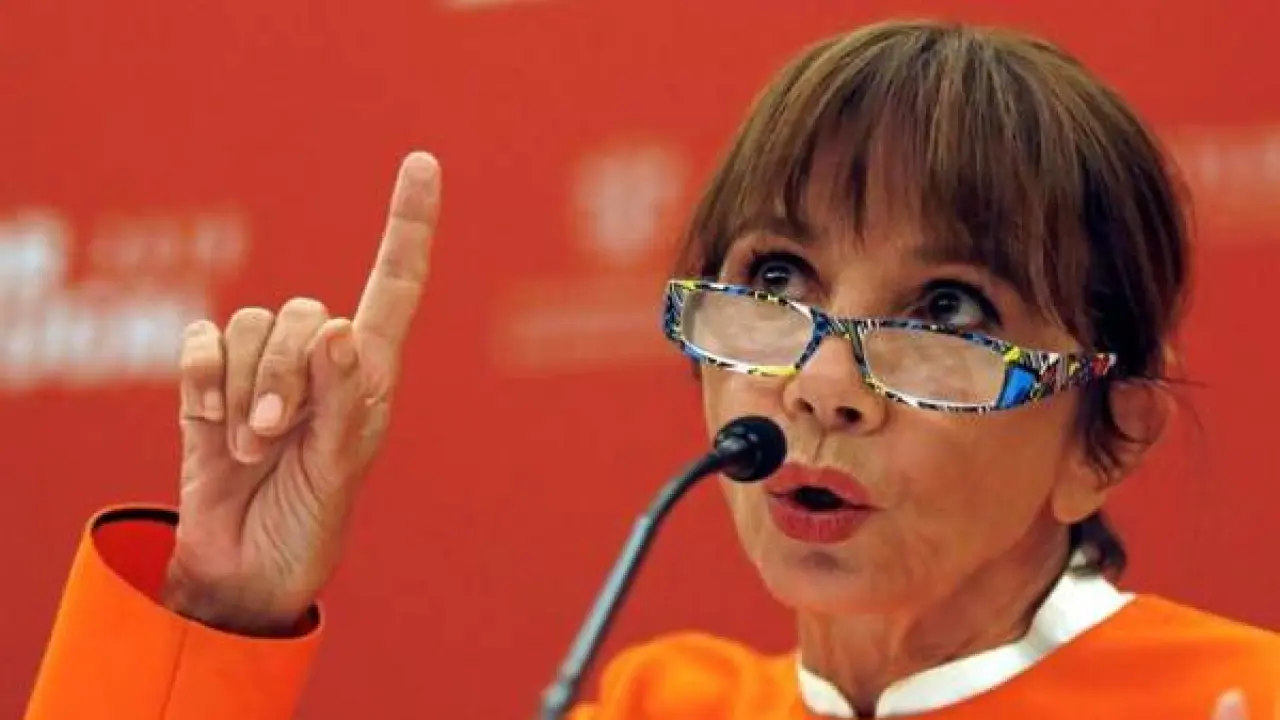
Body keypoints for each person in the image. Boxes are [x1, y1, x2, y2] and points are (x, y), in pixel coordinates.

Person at [24, 19, 1279, 720]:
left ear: (1106, 437)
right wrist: (222, 612)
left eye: (945, 307)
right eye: (777, 278)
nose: (820, 385)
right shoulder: (654, 705)